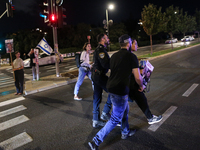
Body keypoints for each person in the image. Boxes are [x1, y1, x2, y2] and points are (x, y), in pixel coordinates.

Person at [88, 34, 143, 149]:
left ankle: (125, 131)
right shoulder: (131, 56)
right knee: (115, 118)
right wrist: (141, 85)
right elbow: (138, 77)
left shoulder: (114, 56)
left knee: (125, 110)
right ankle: (96, 141)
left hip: (112, 88)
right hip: (120, 91)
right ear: (128, 44)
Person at [129, 39, 163, 124]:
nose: (137, 46)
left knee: (123, 106)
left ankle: (122, 127)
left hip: (125, 85)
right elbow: (136, 75)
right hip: (132, 85)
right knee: (142, 100)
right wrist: (141, 83)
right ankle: (150, 118)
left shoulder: (126, 56)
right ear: (130, 44)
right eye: (135, 44)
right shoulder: (131, 57)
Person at [91, 33, 112, 128]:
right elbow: (106, 65)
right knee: (113, 90)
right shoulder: (100, 50)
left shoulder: (100, 49)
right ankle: (105, 112)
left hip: (96, 76)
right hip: (99, 76)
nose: (108, 39)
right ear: (102, 39)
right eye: (106, 38)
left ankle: (95, 120)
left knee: (97, 98)